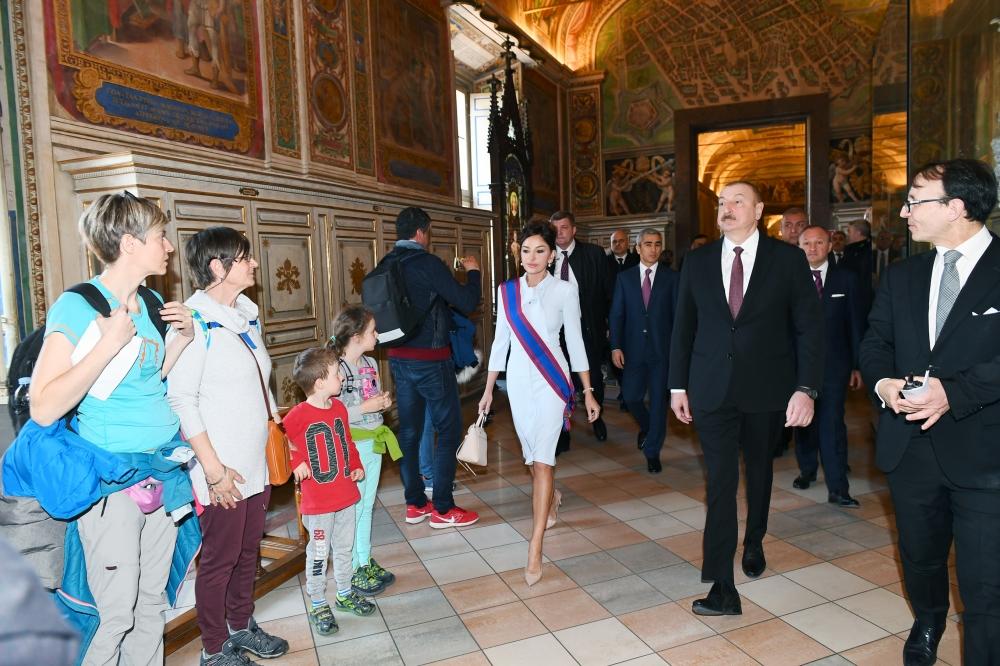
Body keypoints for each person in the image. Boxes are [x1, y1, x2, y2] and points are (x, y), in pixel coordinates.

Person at [29, 192, 199, 664]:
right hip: (110, 482)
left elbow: (148, 380)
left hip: (162, 470)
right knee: (114, 614)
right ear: (129, 243)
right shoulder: (78, 305)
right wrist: (106, 345)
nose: (168, 247)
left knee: (151, 604)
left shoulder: (149, 300)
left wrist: (180, 341)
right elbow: (43, 406)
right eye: (161, 236)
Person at [859, 158, 1000, 665]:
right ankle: (929, 617)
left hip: (985, 451)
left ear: (956, 206)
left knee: (986, 582)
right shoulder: (903, 276)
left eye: (915, 200)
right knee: (920, 557)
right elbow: (874, 342)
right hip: (910, 447)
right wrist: (884, 382)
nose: (904, 212)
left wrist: (954, 393)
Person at [669, 181, 823, 616]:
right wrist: (677, 385)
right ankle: (722, 584)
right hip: (711, 387)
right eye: (722, 202)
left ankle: (754, 538)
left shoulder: (787, 260)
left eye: (738, 201)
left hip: (767, 388)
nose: (727, 208)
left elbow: (810, 329)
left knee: (758, 472)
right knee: (718, 483)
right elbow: (683, 328)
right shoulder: (697, 261)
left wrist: (807, 388)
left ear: (758, 210)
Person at [167, 227, 289, 665]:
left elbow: (260, 380)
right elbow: (181, 399)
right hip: (221, 466)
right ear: (218, 267)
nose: (254, 263)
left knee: (247, 551)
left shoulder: (242, 315)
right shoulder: (193, 322)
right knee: (219, 559)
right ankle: (214, 647)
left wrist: (273, 423)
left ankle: (241, 625)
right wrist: (213, 470)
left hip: (254, 458)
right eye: (244, 257)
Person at [478, 222, 600, 586]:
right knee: (532, 457)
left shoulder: (565, 291)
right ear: (519, 253)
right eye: (526, 250)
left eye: (540, 251)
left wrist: (588, 389)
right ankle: (553, 497)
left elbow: (575, 342)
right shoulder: (507, 291)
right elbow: (500, 343)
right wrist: (487, 389)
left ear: (552, 254)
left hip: (552, 381)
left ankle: (534, 547)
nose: (532, 258)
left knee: (544, 458)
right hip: (517, 381)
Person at [384, 207, 481, 528]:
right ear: (422, 232)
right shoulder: (427, 263)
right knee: (449, 429)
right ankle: (442, 507)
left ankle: (415, 503)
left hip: (398, 360)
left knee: (409, 432)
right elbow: (467, 302)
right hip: (431, 361)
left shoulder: (385, 264)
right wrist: (474, 272)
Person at [285, 347, 374, 637]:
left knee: (345, 548)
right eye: (337, 374)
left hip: (345, 496)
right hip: (318, 503)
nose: (341, 377)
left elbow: (347, 442)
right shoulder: (298, 415)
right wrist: (296, 462)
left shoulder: (338, 409)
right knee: (320, 553)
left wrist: (356, 464)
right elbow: (282, 441)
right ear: (320, 382)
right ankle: (318, 601)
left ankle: (345, 592)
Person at [326, 306, 398, 597]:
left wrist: (381, 402)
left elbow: (370, 398)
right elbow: (330, 412)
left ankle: (364, 559)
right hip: (351, 446)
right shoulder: (335, 370)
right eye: (372, 331)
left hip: (373, 441)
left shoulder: (370, 363)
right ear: (356, 336)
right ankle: (352, 568)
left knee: (367, 505)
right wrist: (365, 409)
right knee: (353, 508)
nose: (377, 335)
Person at [794, 225, 864, 506]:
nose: (812, 248)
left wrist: (857, 365)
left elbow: (856, 324)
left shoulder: (846, 278)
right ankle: (807, 469)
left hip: (835, 365)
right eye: (806, 243)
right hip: (798, 366)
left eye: (818, 242)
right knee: (803, 422)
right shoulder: (789, 280)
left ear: (830, 245)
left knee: (832, 422)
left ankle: (838, 488)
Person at [609, 228, 678, 474]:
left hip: (662, 352)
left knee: (659, 403)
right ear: (637, 248)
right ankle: (649, 427)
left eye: (657, 244)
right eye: (648, 244)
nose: (653, 249)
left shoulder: (672, 278)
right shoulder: (624, 278)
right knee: (631, 398)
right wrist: (615, 345)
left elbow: (678, 318)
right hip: (633, 351)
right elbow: (617, 314)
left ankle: (652, 451)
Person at [550, 211, 612, 444]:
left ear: (574, 230)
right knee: (560, 379)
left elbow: (609, 292)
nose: (559, 232)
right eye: (555, 228)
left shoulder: (594, 254)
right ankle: (562, 432)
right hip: (556, 332)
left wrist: (609, 325)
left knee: (593, 376)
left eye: (564, 227)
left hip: (588, 328)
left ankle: (597, 418)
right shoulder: (545, 255)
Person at [842, 220, 874, 312]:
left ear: (858, 233)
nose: (847, 234)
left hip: (859, 296)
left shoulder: (861, 251)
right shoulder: (853, 249)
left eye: (849, 231)